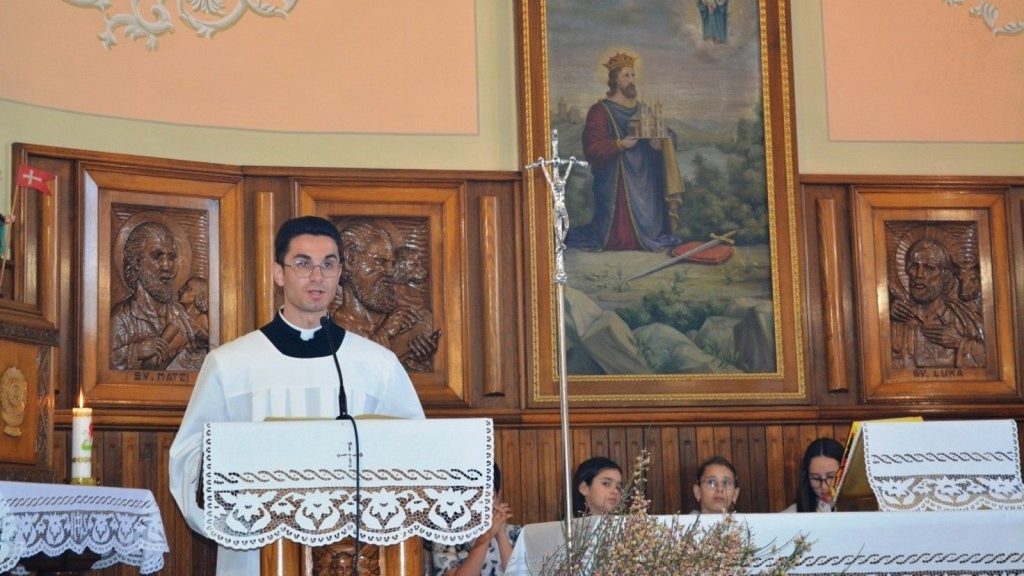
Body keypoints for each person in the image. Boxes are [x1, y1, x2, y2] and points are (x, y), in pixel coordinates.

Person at [168, 216, 425, 576]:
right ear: (278, 272)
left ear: (340, 273)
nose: (317, 276)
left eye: (328, 264)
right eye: (303, 264)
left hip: (354, 556)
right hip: (257, 551)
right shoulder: (231, 364)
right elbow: (191, 458)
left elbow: (415, 453)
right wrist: (237, 513)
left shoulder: (376, 365)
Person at [565, 51, 684, 252]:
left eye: (633, 75)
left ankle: (649, 234)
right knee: (619, 239)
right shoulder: (600, 110)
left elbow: (666, 133)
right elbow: (592, 148)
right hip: (617, 183)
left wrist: (660, 145)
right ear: (614, 80)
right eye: (626, 76)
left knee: (653, 233)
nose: (631, 80)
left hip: (645, 184)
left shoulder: (643, 110)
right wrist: (619, 145)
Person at [110, 220, 196, 370]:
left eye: (171, 257)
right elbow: (106, 361)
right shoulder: (122, 317)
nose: (167, 266)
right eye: (157, 256)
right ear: (136, 261)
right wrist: (137, 350)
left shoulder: (180, 313)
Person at [890, 237, 985, 369]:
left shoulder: (963, 318)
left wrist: (959, 342)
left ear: (945, 276)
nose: (919, 275)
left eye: (929, 268)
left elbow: (991, 360)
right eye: (914, 266)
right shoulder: (899, 318)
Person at [430, 464, 519, 576]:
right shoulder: (445, 537)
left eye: (487, 496)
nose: (479, 504)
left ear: (498, 496)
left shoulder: (516, 534)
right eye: (473, 496)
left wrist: (501, 534)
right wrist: (486, 538)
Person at [783, 437, 844, 513]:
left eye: (831, 477)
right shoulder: (790, 516)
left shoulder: (861, 511)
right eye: (816, 478)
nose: (824, 487)